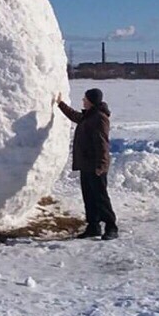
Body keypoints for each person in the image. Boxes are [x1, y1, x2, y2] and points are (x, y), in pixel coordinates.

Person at [55, 88, 118, 240]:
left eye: (85, 99)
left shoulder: (99, 118)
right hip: (87, 165)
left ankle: (111, 227)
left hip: (96, 166)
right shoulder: (89, 115)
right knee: (89, 197)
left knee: (100, 198)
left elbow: (103, 144)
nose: (83, 101)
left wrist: (101, 166)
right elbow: (75, 116)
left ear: (91, 100)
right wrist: (60, 104)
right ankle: (93, 226)